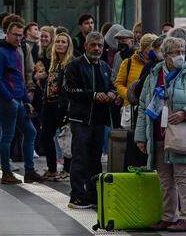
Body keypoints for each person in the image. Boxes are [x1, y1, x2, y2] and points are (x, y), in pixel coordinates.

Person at [135, 37, 186, 232]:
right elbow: (144, 106)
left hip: (181, 134)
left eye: (182, 51)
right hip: (158, 134)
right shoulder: (154, 74)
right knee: (165, 179)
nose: (180, 56)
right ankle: (169, 217)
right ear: (165, 54)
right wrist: (141, 136)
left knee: (183, 176)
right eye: (175, 52)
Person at [65, 32, 119, 209]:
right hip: (80, 119)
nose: (97, 48)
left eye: (100, 45)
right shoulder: (74, 66)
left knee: (96, 159)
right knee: (80, 157)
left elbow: (111, 86)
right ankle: (77, 196)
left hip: (98, 120)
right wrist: (94, 95)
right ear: (86, 46)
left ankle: (93, 195)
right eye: (93, 45)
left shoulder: (104, 66)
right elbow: (70, 90)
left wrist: (111, 93)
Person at [0, 21, 44, 184]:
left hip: (16, 99)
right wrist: (11, 99)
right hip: (8, 100)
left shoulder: (17, 51)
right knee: (8, 135)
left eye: (20, 35)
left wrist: (25, 100)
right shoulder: (0, 53)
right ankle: (6, 172)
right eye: (15, 34)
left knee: (30, 132)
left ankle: (29, 171)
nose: (18, 38)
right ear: (7, 33)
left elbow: (19, 79)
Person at [41, 32, 73, 181]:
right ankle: (52, 168)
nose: (60, 44)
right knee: (46, 136)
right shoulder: (53, 63)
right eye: (58, 42)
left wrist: (67, 106)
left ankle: (67, 169)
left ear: (68, 45)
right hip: (49, 104)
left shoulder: (71, 63)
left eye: (63, 42)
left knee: (66, 137)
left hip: (63, 105)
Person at [115, 34, 158, 108]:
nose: (153, 51)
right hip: (130, 107)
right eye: (151, 48)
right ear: (143, 48)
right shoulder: (128, 62)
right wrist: (129, 95)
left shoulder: (158, 64)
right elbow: (118, 84)